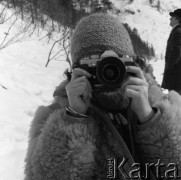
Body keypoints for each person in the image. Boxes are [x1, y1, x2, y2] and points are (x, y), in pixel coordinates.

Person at [24, 13, 181, 180]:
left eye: (117, 61)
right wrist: (73, 118)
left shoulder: (164, 104)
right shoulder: (54, 117)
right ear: (77, 69)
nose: (107, 71)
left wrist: (150, 117)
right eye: (94, 64)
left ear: (133, 63)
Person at [162, 8, 181, 94]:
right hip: (177, 74)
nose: (170, 18)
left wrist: (169, 67)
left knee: (175, 98)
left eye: (172, 17)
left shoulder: (178, 32)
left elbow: (176, 52)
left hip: (176, 75)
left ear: (177, 19)